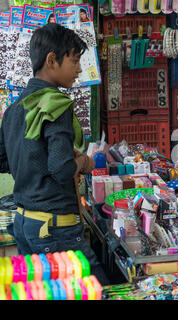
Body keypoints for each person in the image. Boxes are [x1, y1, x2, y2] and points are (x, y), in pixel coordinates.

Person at [0, 23, 109, 284]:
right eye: (74, 61)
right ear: (52, 60)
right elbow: (61, 169)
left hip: (26, 224)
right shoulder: (56, 104)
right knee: (98, 287)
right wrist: (82, 161)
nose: (80, 69)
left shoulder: (15, 109)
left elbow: (4, 160)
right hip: (55, 228)